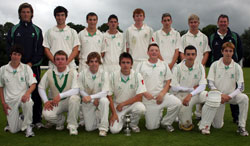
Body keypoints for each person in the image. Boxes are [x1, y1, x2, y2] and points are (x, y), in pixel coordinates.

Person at [6, 2, 44, 128]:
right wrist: (18, 63)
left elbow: (40, 50)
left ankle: (37, 120)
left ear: (31, 14)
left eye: (28, 12)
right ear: (20, 14)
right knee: (14, 92)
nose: (26, 14)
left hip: (33, 67)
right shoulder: (13, 30)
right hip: (17, 67)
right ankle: (13, 118)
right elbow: (9, 48)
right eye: (23, 12)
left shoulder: (37, 30)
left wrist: (30, 63)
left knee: (35, 92)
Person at [199, 42, 248, 136]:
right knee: (218, 126)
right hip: (218, 97)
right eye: (226, 51)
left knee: (244, 98)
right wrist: (220, 94)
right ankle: (208, 115)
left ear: (233, 53)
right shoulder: (215, 65)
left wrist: (229, 96)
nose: (228, 53)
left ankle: (241, 127)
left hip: (231, 96)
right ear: (222, 52)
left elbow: (241, 87)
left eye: (230, 51)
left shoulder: (237, 67)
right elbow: (210, 82)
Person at [136, 43, 181, 131]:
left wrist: (162, 93)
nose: (154, 52)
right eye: (152, 50)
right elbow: (136, 81)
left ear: (159, 52)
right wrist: (145, 93)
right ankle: (157, 116)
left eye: (156, 50)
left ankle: (166, 122)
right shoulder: (141, 65)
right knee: (151, 127)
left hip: (162, 96)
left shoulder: (164, 64)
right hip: (149, 99)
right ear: (148, 52)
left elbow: (168, 80)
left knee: (177, 103)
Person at [209, 14, 243, 124]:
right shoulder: (212, 37)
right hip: (218, 68)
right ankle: (212, 115)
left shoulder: (234, 36)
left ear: (228, 23)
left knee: (234, 91)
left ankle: (236, 117)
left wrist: (235, 62)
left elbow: (240, 51)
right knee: (216, 90)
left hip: (232, 68)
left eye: (225, 21)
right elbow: (211, 52)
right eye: (221, 21)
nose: (223, 23)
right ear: (218, 23)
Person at [38, 50, 80, 135]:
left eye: (62, 59)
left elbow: (76, 89)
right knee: (46, 115)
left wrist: (60, 95)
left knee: (75, 98)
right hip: (56, 102)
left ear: (66, 60)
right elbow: (41, 87)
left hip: (69, 101)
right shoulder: (49, 72)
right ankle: (60, 120)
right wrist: (46, 101)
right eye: (57, 59)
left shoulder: (73, 72)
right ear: (54, 61)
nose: (60, 61)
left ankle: (72, 126)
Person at [0, 45, 37, 137]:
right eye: (14, 54)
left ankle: (28, 127)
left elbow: (33, 84)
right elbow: (0, 87)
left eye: (18, 55)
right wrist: (3, 103)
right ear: (10, 55)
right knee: (14, 130)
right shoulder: (3, 69)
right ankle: (21, 118)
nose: (16, 57)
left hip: (23, 97)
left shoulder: (26, 68)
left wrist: (27, 94)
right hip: (10, 100)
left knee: (29, 102)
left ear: (21, 56)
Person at [179, 14, 210, 119]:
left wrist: (200, 65)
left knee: (200, 88)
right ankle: (187, 110)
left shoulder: (204, 37)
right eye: (191, 22)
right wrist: (187, 64)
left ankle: (199, 113)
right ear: (189, 23)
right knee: (189, 87)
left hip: (200, 67)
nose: (193, 24)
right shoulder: (184, 37)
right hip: (187, 68)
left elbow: (206, 52)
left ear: (198, 23)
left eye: (195, 22)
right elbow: (181, 53)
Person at [171, 45, 207, 131]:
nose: (190, 56)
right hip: (182, 95)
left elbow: (203, 85)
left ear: (196, 55)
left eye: (193, 54)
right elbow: (174, 87)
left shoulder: (200, 66)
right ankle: (182, 117)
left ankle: (205, 123)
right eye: (188, 54)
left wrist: (191, 94)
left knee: (209, 96)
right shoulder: (177, 68)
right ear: (184, 55)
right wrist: (190, 89)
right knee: (186, 125)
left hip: (195, 94)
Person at [108, 52, 146, 134]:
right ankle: (123, 120)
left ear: (131, 64)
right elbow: (109, 96)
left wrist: (123, 104)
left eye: (128, 63)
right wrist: (114, 113)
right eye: (123, 62)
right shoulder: (113, 76)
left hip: (131, 105)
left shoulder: (137, 75)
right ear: (119, 64)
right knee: (114, 131)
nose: (125, 65)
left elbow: (139, 97)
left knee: (141, 108)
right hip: (117, 106)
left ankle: (133, 124)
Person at [78, 52, 110, 136]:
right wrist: (92, 100)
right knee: (89, 129)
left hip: (99, 100)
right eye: (91, 61)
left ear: (99, 62)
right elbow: (80, 90)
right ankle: (97, 117)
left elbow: (105, 92)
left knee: (105, 101)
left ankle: (103, 128)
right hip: (88, 102)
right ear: (88, 63)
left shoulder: (104, 74)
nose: (94, 64)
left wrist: (92, 97)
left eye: (96, 61)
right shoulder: (82, 74)